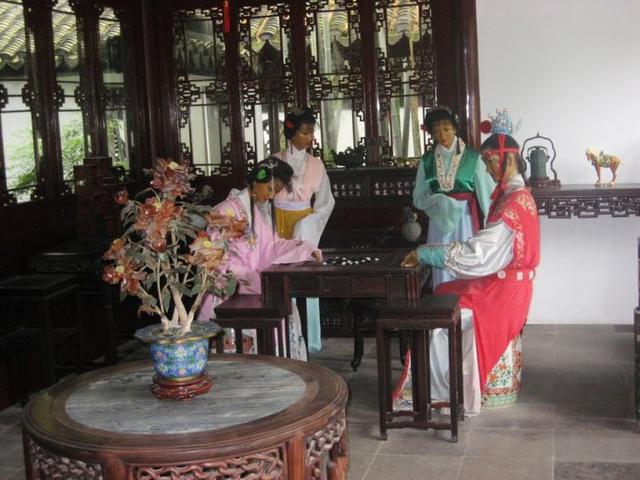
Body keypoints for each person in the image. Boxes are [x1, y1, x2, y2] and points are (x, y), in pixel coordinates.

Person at [399, 132, 540, 414]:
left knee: (440, 310)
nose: (486, 169)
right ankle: (445, 386)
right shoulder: (516, 195)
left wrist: (428, 254)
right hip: (506, 284)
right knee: (444, 290)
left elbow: (479, 255)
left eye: (489, 162)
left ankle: (443, 391)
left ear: (505, 159)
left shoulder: (513, 203)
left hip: (504, 293)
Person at [198, 157, 321, 360]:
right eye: (270, 189)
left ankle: (278, 365)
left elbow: (270, 246)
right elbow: (218, 258)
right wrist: (248, 277)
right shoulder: (224, 211)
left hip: (250, 282)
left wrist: (302, 248)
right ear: (257, 180)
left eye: (275, 192)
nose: (271, 196)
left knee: (286, 304)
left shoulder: (253, 212)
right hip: (227, 289)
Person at [273, 107, 335, 353]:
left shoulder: (316, 164)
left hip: (305, 223)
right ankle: (281, 338)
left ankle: (308, 338)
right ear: (292, 133)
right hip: (278, 224)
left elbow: (326, 202)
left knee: (305, 281)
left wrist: (309, 224)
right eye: (305, 132)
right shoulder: (274, 161)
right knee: (279, 279)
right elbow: (262, 198)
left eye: (312, 132)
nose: (310, 137)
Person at [413, 106, 495, 289]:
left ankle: (465, 303)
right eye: (436, 131)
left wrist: (493, 225)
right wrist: (437, 200)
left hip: (465, 219)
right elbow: (418, 197)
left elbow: (487, 195)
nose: (442, 135)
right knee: (440, 262)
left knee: (465, 261)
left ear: (455, 128)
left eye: (446, 129)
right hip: (438, 221)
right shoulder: (427, 161)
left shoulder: (473, 157)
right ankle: (442, 301)